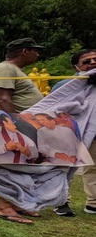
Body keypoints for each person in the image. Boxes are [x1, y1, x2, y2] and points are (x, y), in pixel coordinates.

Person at [0, 38, 45, 224]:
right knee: (16, 164)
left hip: (25, 123)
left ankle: (17, 202)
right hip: (15, 124)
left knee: (26, 164)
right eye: (36, 50)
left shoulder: (16, 71)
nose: (38, 54)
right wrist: (15, 126)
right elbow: (4, 98)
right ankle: (4, 206)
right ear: (25, 51)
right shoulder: (6, 68)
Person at [47, 49, 96, 216]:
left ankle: (93, 203)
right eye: (86, 61)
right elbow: (53, 107)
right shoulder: (65, 86)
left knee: (93, 168)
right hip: (70, 132)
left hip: (94, 134)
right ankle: (61, 202)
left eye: (95, 59)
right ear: (77, 66)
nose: (92, 63)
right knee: (65, 167)